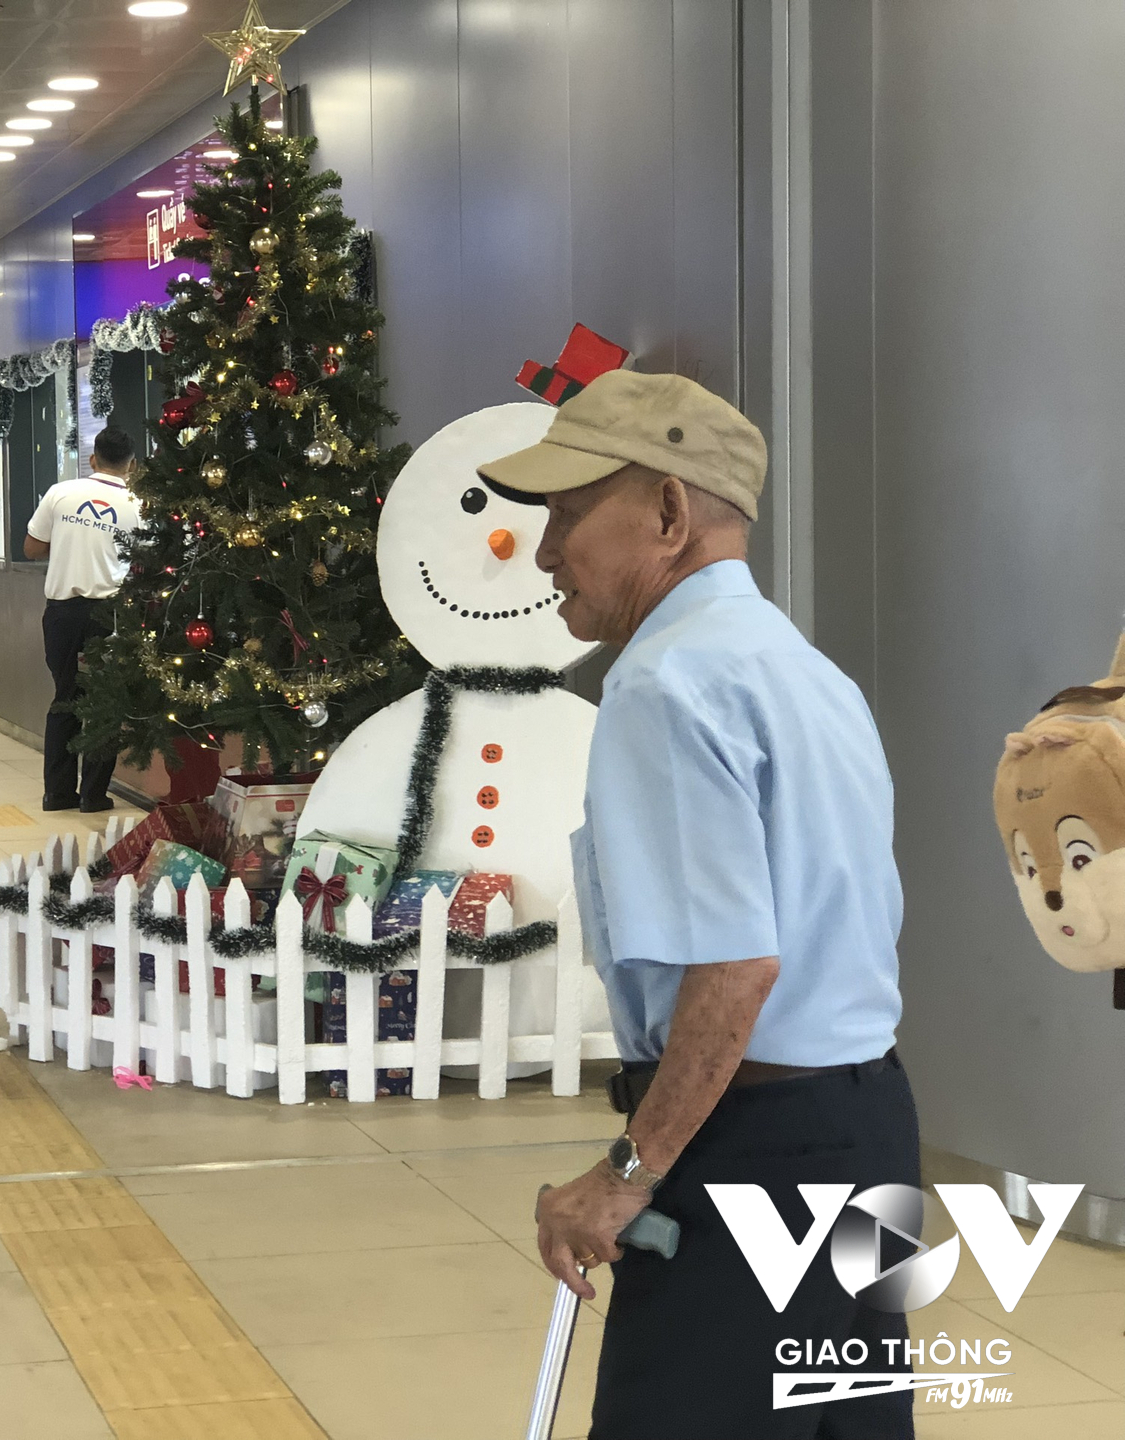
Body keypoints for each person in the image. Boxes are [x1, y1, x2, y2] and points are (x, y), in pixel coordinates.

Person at [484, 371, 916, 1439]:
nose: (546, 552)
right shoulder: (808, 673)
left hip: (749, 1151)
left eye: (571, 513)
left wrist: (626, 1174)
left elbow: (735, 969)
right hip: (867, 1128)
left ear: (669, 513)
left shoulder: (665, 684)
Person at [22, 427, 140, 813]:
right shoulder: (139, 504)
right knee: (106, 704)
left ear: (93, 459)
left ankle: (56, 793)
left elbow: (32, 548)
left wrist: (73, 539)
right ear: (132, 466)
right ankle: (93, 795)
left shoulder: (61, 493)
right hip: (112, 616)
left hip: (62, 615)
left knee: (65, 700)